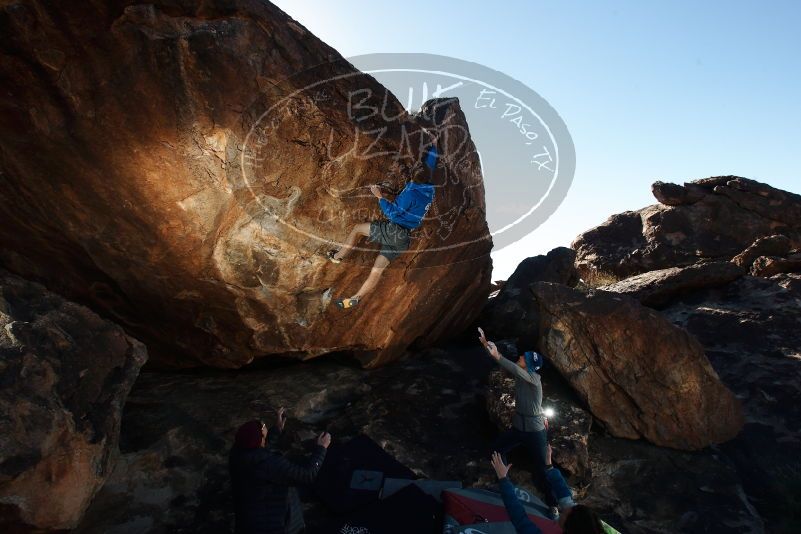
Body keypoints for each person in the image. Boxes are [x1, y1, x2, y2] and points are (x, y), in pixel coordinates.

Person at [329, 135, 438, 309]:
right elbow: (430, 164)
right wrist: (434, 145)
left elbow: (393, 214)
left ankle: (337, 257)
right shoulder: (430, 188)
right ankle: (355, 298)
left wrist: (379, 196)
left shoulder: (411, 193)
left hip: (395, 229)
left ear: (414, 179)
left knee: (357, 229)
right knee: (377, 270)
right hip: (403, 240)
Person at [478, 327, 558, 513]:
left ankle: (553, 504)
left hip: (535, 431)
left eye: (524, 357)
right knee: (496, 449)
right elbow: (508, 365)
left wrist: (498, 356)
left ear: (528, 365)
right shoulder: (524, 375)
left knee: (542, 469)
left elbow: (511, 366)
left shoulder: (533, 379)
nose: (520, 357)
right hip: (518, 427)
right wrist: (485, 343)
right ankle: (504, 481)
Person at [229, 407, 332, 534]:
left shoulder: (237, 454)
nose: (264, 425)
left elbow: (259, 449)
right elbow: (307, 475)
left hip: (248, 523)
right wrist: (322, 448)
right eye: (263, 426)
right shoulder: (271, 464)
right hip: (276, 526)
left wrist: (276, 430)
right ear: (261, 437)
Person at [490, 448, 605, 534]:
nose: (565, 508)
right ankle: (554, 517)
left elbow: (520, 519)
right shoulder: (580, 523)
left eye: (563, 514)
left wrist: (503, 479)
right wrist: (549, 466)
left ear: (567, 527)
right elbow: (564, 496)